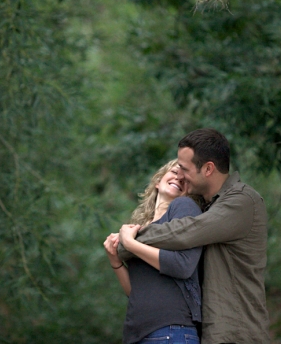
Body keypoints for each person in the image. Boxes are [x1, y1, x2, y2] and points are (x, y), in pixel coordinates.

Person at [117, 128, 271, 344]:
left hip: (237, 332)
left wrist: (127, 243)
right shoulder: (210, 207)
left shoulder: (241, 201)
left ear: (208, 169)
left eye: (183, 168)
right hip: (211, 332)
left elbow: (183, 232)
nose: (178, 174)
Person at [103, 159, 204, 344]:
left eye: (185, 179)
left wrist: (130, 244)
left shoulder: (183, 206)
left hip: (172, 329)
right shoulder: (141, 228)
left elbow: (182, 265)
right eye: (174, 172)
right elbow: (136, 291)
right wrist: (115, 260)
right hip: (140, 332)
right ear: (158, 181)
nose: (179, 178)